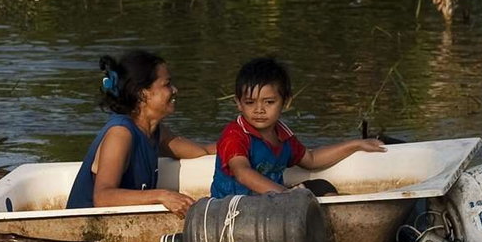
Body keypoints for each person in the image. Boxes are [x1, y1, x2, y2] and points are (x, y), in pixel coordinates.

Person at [66, 50, 215, 217]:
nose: (175, 90)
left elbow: (202, 151)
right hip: (86, 225)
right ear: (142, 93)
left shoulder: (155, 131)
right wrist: (162, 196)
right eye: (167, 84)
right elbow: (103, 197)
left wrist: (241, 140)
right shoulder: (120, 134)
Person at [211, 57, 386, 198]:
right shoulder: (235, 134)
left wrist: (355, 145)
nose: (259, 110)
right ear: (239, 103)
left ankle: (335, 227)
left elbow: (311, 159)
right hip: (233, 208)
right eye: (250, 102)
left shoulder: (283, 136)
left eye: (269, 102)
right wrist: (286, 194)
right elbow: (242, 172)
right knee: (299, 198)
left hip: (271, 201)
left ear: (286, 102)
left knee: (321, 186)